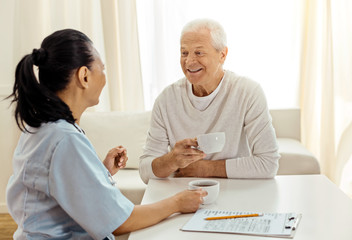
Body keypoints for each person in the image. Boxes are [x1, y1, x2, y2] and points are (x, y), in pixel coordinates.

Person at [6, 29, 206, 239]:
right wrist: (177, 202)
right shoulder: (65, 139)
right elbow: (119, 221)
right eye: (102, 69)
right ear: (84, 76)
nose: (104, 78)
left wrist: (101, 171)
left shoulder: (42, 127)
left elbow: (59, 187)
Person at [139, 18, 280, 184]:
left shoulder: (248, 92)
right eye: (184, 53)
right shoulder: (166, 100)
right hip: (183, 195)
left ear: (222, 55)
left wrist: (205, 169)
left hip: (237, 191)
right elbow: (145, 172)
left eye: (199, 53)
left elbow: (268, 164)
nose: (189, 61)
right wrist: (171, 160)